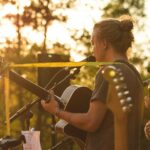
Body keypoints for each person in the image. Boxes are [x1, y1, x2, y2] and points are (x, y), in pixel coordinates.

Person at [41, 15, 144, 150]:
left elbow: (91, 122)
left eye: (93, 43)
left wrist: (56, 111)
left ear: (104, 43)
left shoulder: (108, 71)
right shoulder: (135, 74)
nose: (92, 49)